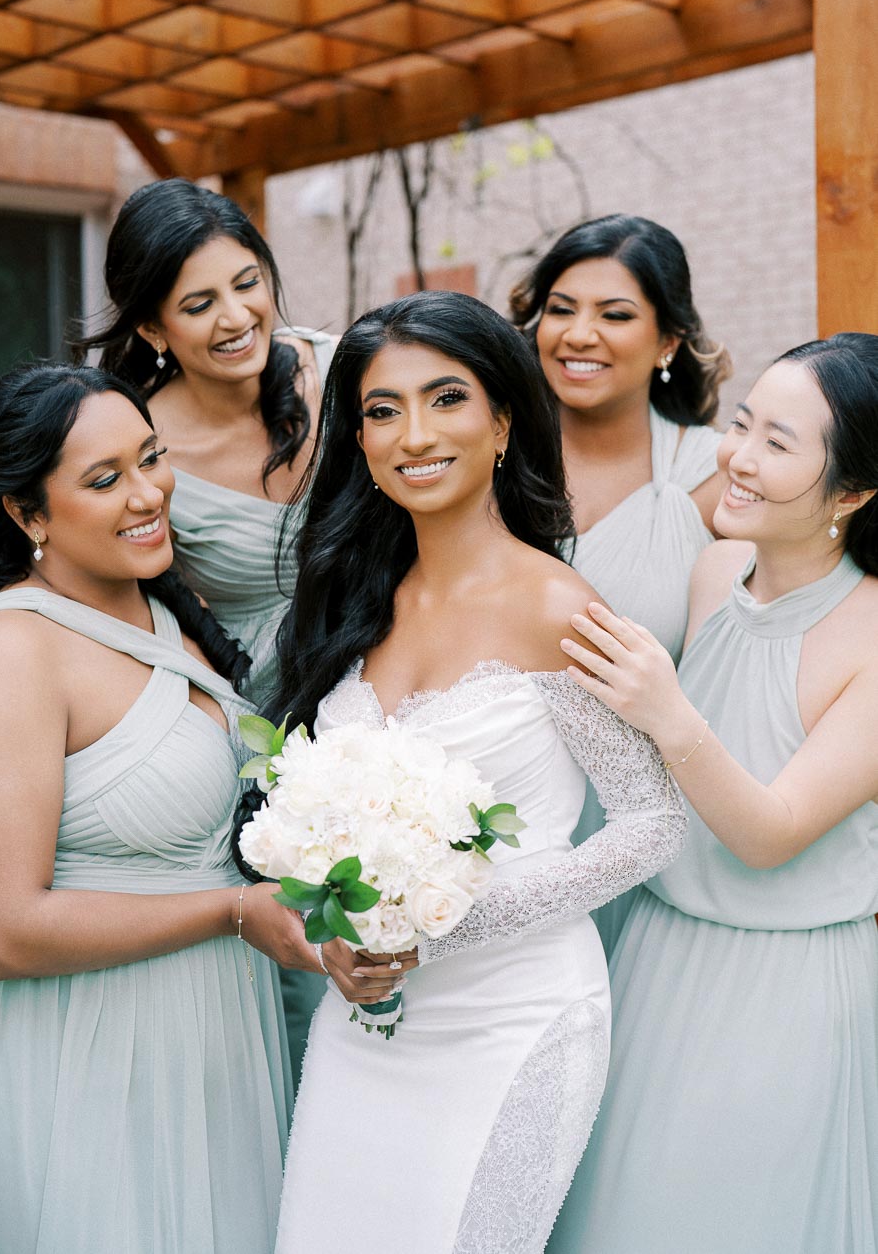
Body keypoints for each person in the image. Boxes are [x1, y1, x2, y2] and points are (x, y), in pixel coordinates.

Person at [256, 290, 687, 1254]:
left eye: (446, 398)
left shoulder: (558, 607)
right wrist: (339, 940)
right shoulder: (352, 598)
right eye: (382, 410)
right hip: (366, 1024)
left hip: (515, 1017)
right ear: (360, 441)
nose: (414, 434)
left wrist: (449, 926)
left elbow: (653, 822)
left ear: (502, 421)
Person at [0, 364, 316, 1254]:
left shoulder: (168, 605)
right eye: (104, 480)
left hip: (218, 1032)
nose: (147, 494)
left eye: (152, 458)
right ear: (27, 515)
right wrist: (231, 910)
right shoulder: (11, 648)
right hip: (95, 1047)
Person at [553, 333, 878, 1254]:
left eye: (779, 443)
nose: (738, 457)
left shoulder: (871, 636)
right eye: (743, 424)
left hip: (786, 985)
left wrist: (667, 711)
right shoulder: (713, 572)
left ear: (851, 493)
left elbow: (773, 833)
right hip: (656, 951)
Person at [75, 177, 332, 1086]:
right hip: (268, 718)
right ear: (153, 327)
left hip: (396, 664)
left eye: (247, 283)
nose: (235, 317)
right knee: (305, 962)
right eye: (198, 304)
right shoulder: (143, 449)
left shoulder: (342, 373)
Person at [511, 213, 731, 957]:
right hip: (498, 815)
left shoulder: (716, 476)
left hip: (645, 832)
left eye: (615, 315)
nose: (580, 335)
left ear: (669, 341)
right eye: (562, 309)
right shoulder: (491, 453)